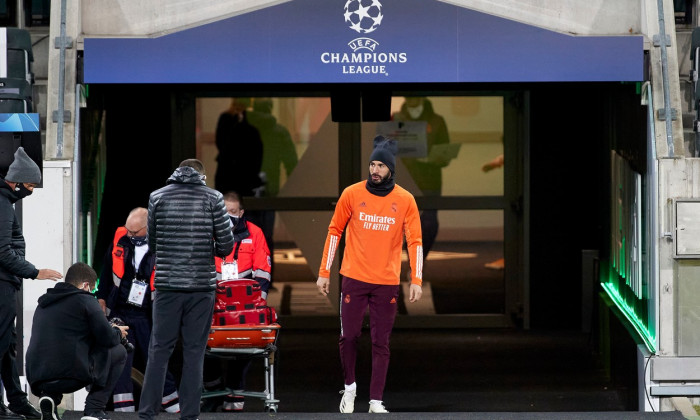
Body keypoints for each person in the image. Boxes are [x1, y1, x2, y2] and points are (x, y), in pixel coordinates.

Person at [316, 136, 423, 414]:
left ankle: (376, 400)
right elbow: (334, 231)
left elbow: (415, 241)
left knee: (380, 342)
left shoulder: (405, 200)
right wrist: (324, 272)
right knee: (349, 337)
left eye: (380, 166)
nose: (375, 170)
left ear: (390, 169)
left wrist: (417, 279)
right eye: (372, 164)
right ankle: (349, 388)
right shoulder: (351, 193)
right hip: (354, 277)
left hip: (386, 282)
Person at [138, 159, 233, 420]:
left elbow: (153, 243)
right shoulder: (213, 198)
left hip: (167, 286)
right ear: (202, 176)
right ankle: (189, 415)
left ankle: (147, 413)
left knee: (158, 351)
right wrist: (205, 248)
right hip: (201, 287)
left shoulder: (157, 197)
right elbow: (226, 246)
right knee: (194, 352)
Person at [96, 208, 179, 413]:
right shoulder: (120, 236)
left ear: (148, 227)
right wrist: (101, 296)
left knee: (156, 358)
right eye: (128, 231)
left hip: (147, 314)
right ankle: (124, 410)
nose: (130, 236)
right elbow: (107, 270)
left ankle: (172, 404)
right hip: (120, 310)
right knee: (120, 360)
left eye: (135, 232)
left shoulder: (165, 243)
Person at [0, 147, 62, 420]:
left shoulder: (5, 202)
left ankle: (16, 402)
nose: (32, 190)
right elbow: (2, 251)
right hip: (2, 284)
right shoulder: (2, 204)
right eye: (30, 185)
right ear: (15, 181)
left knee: (7, 346)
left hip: (6, 283)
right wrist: (34, 272)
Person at [25, 262, 129, 420]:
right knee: (118, 352)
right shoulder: (86, 300)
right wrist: (117, 332)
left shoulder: (44, 303)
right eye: (92, 288)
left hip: (38, 378)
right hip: (71, 376)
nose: (92, 292)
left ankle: (49, 398)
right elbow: (108, 338)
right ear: (85, 285)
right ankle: (94, 410)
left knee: (60, 350)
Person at [205, 191, 272, 412]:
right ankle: (213, 390)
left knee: (243, 344)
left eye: (232, 212)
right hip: (212, 302)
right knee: (204, 347)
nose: (228, 217)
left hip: (245, 306)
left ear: (241, 212)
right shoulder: (207, 232)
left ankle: (234, 391)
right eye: (224, 212)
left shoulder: (255, 233)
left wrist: (256, 305)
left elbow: (263, 271)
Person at [392, 97, 452, 261]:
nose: (411, 98)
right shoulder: (395, 119)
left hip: (429, 180)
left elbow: (445, 152)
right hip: (401, 181)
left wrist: (435, 158)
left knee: (429, 224)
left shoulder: (436, 121)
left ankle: (418, 262)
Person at [247, 97, 298, 276]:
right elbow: (291, 162)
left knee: (245, 236)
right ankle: (267, 275)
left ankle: (246, 275)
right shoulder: (279, 132)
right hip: (270, 190)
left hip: (245, 191)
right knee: (266, 237)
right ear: (270, 109)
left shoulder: (243, 130)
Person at [214, 98, 264, 198]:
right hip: (244, 175)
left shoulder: (226, 119)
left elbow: (221, 143)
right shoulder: (250, 123)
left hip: (228, 174)